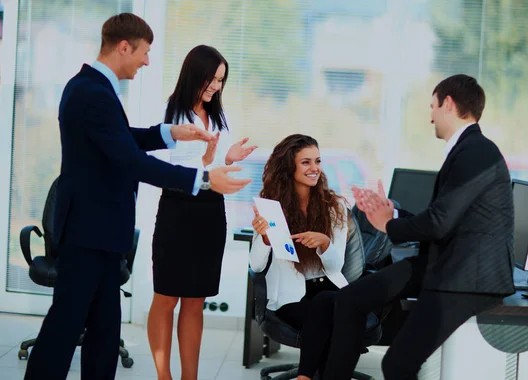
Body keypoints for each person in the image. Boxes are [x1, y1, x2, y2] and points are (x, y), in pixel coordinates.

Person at [24, 13, 250, 380]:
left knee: (104, 332)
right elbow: (130, 160)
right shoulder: (91, 91)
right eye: (144, 52)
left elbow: (121, 137)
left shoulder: (95, 89)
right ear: (124, 47)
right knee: (64, 329)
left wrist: (168, 133)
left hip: (103, 231)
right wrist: (204, 180)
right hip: (87, 231)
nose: (147, 60)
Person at [319, 74, 515, 379]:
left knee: (397, 364)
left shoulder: (476, 152)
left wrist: (388, 225)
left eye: (433, 106)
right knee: (350, 299)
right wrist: (392, 213)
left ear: (448, 104)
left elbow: (438, 224)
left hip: (466, 277)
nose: (431, 116)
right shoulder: (468, 148)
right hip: (446, 261)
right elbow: (442, 217)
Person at [147, 45, 257, 380]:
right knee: (167, 297)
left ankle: (188, 378)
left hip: (211, 212)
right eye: (212, 78)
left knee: (196, 300)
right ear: (195, 73)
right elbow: (164, 167)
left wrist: (228, 157)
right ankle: (163, 375)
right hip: (178, 210)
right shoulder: (171, 111)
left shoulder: (219, 115)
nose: (216, 86)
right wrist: (208, 163)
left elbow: (213, 166)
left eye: (221, 80)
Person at [250, 134, 349, 379]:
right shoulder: (271, 206)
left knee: (327, 302)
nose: (314, 168)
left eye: (317, 161)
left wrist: (325, 244)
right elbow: (256, 264)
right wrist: (264, 238)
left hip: (329, 288)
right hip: (292, 296)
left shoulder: (334, 206)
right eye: (306, 162)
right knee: (332, 319)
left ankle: (304, 377)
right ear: (289, 167)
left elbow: (338, 266)